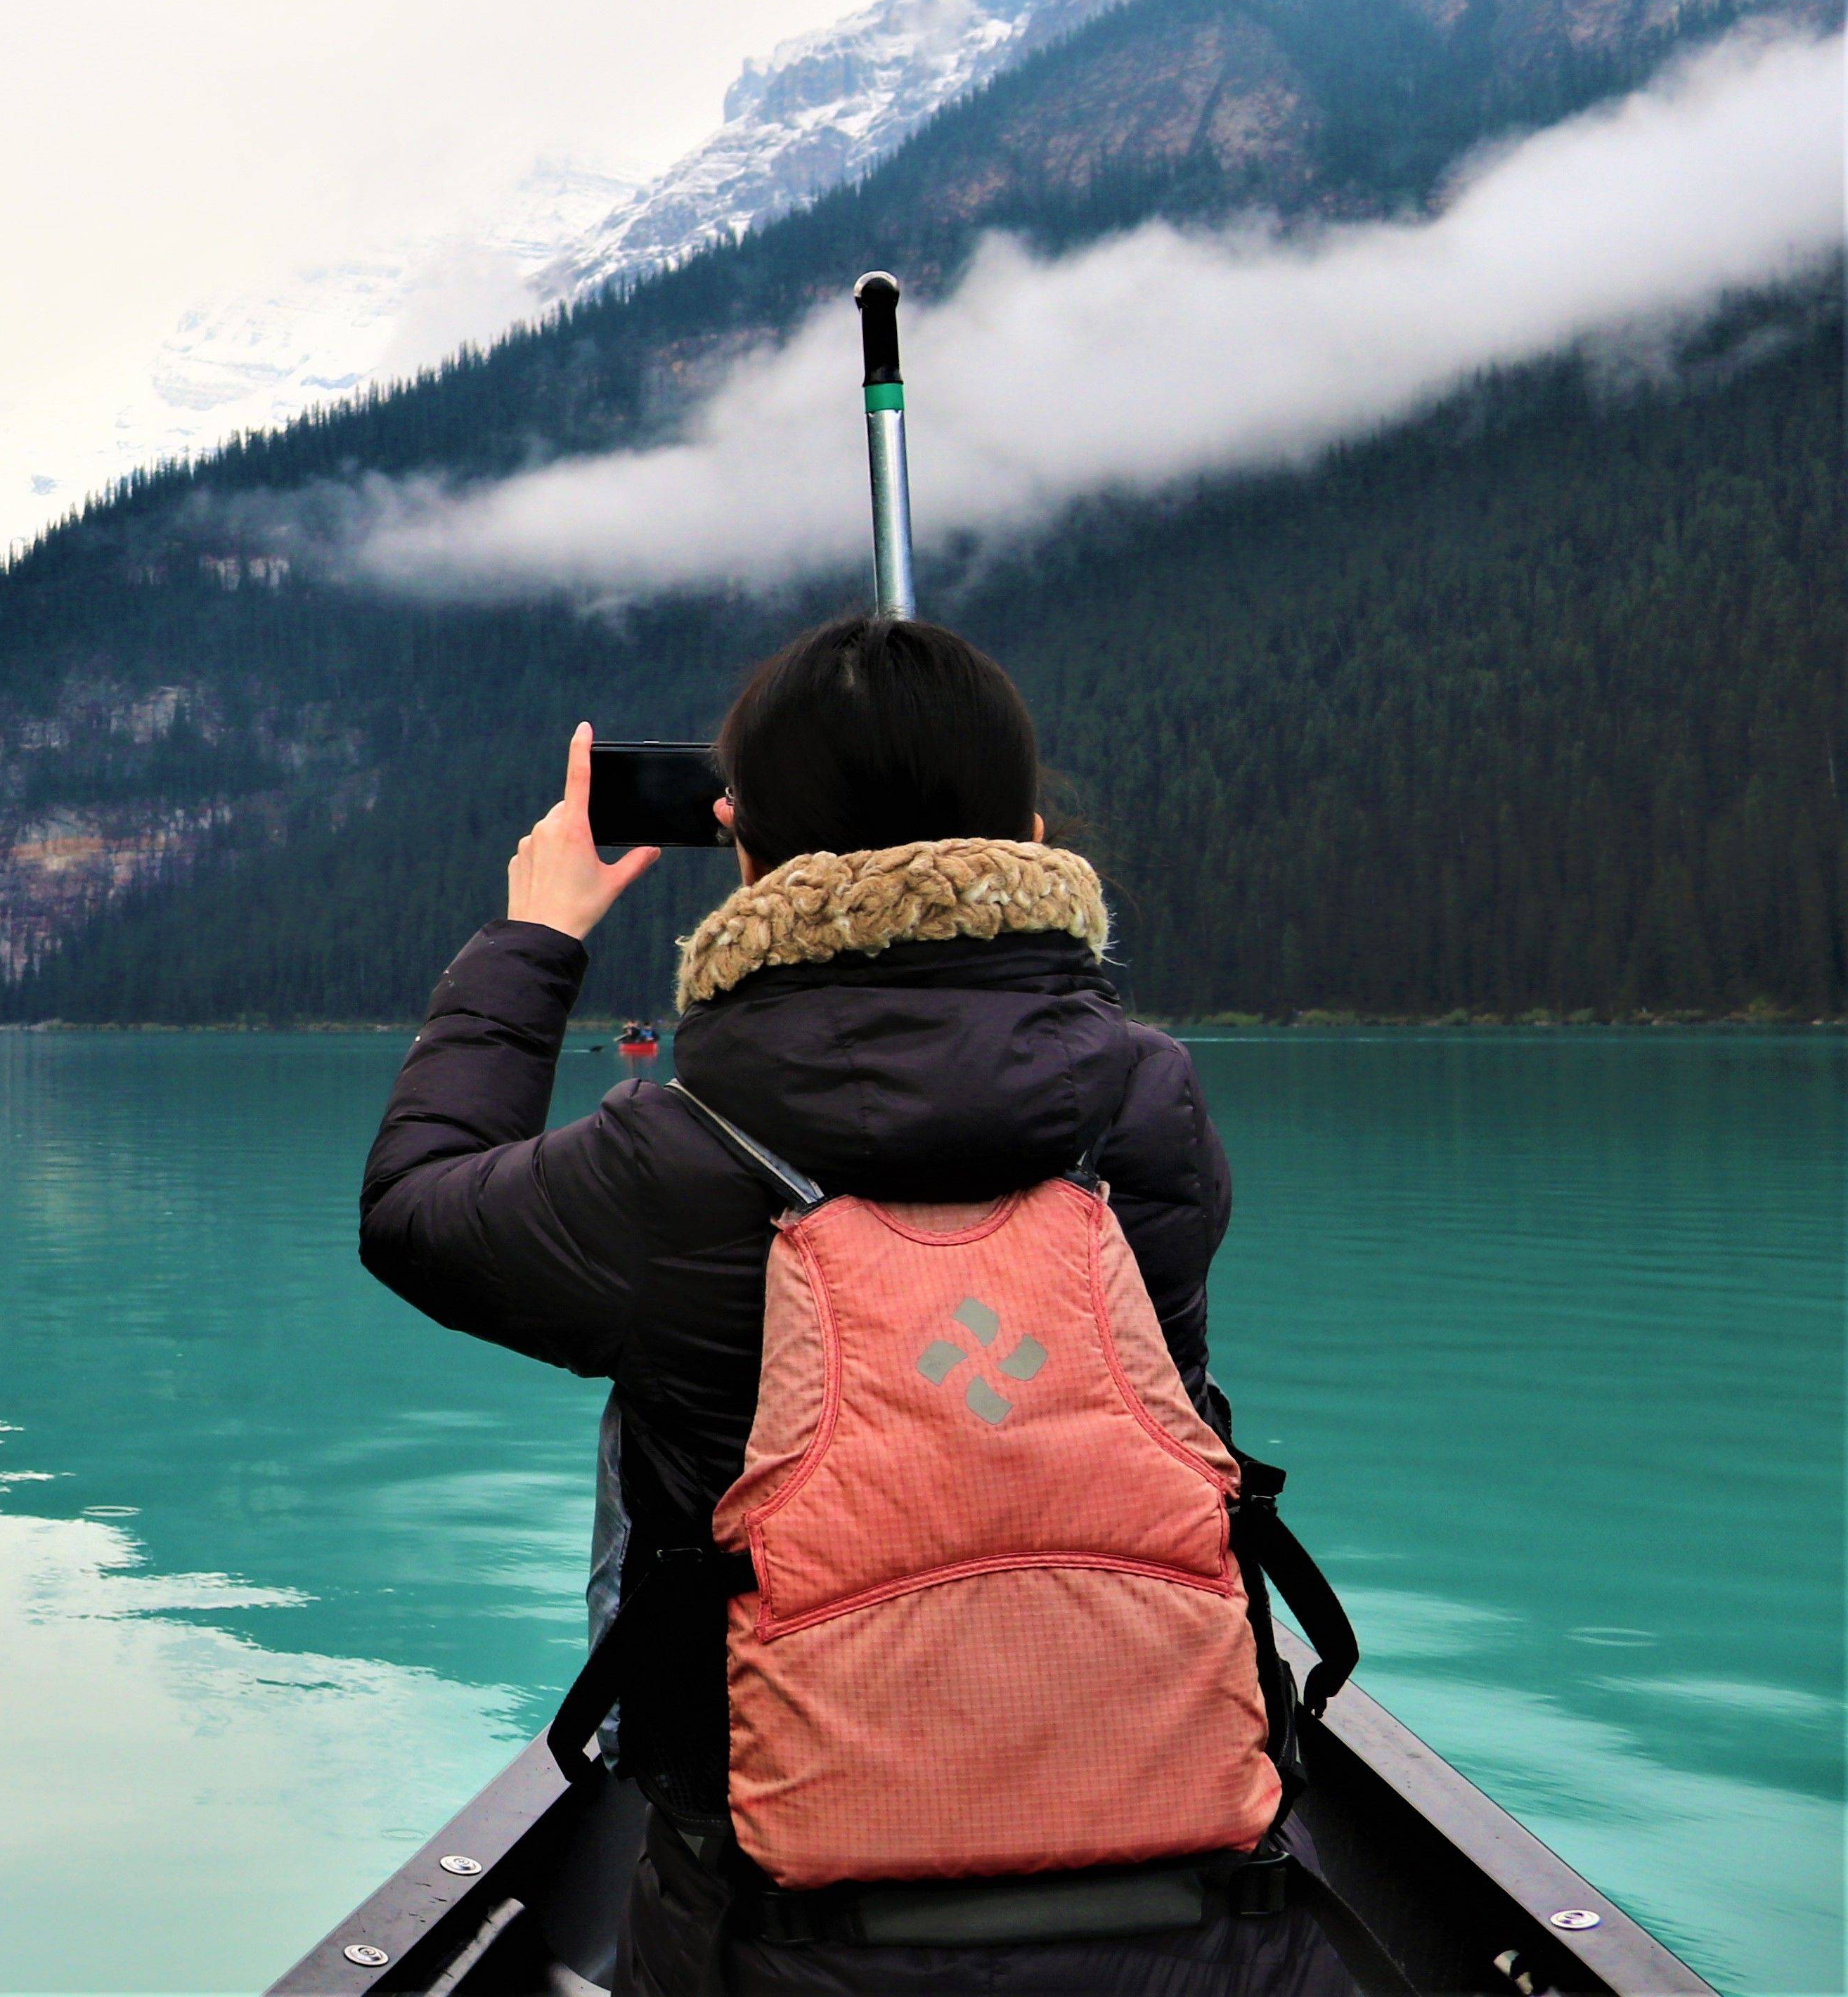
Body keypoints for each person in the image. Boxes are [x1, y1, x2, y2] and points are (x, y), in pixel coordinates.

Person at [358, 616, 1348, 1994]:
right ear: (1036, 837)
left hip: (774, 1935)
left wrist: (536, 936)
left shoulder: (673, 1152)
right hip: (1186, 1913)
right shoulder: (1150, 1101)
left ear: (744, 852)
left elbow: (416, 1208)